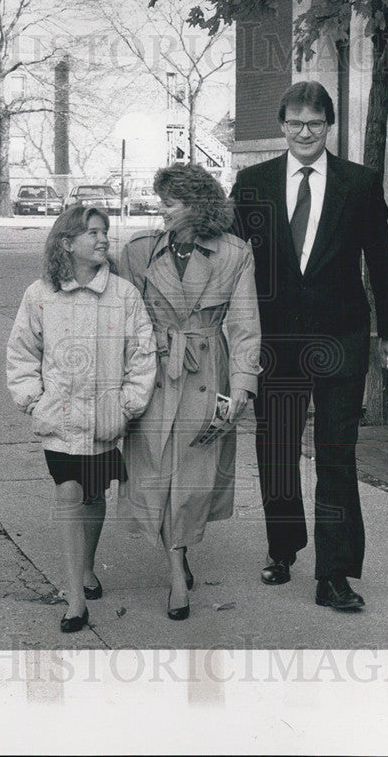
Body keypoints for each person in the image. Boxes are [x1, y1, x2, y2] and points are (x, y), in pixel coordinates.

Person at [229, 80, 388, 611]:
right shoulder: (252, 183)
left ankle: (334, 574)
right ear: (282, 126)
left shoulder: (358, 182)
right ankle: (282, 548)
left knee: (337, 456)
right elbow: (234, 263)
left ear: (329, 126)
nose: (305, 133)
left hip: (341, 339)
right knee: (277, 452)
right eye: (295, 124)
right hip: (276, 343)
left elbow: (382, 261)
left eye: (315, 124)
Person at [119, 163, 261, 621]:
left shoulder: (235, 253)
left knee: (194, 479)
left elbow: (244, 327)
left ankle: (178, 557)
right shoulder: (139, 252)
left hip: (207, 373)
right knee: (155, 472)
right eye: (161, 202)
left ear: (197, 207)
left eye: (170, 203)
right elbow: (118, 317)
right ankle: (177, 569)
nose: (161, 211)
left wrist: (242, 386)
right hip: (154, 372)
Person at [6, 205, 156, 633]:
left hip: (106, 421)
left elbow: (143, 357)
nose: (103, 238)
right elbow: (21, 352)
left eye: (105, 231)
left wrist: (127, 406)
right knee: (69, 494)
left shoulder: (124, 295)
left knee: (94, 496)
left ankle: (87, 568)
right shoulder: (40, 294)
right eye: (92, 232)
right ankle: (75, 599)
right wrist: (34, 400)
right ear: (67, 242)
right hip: (60, 421)